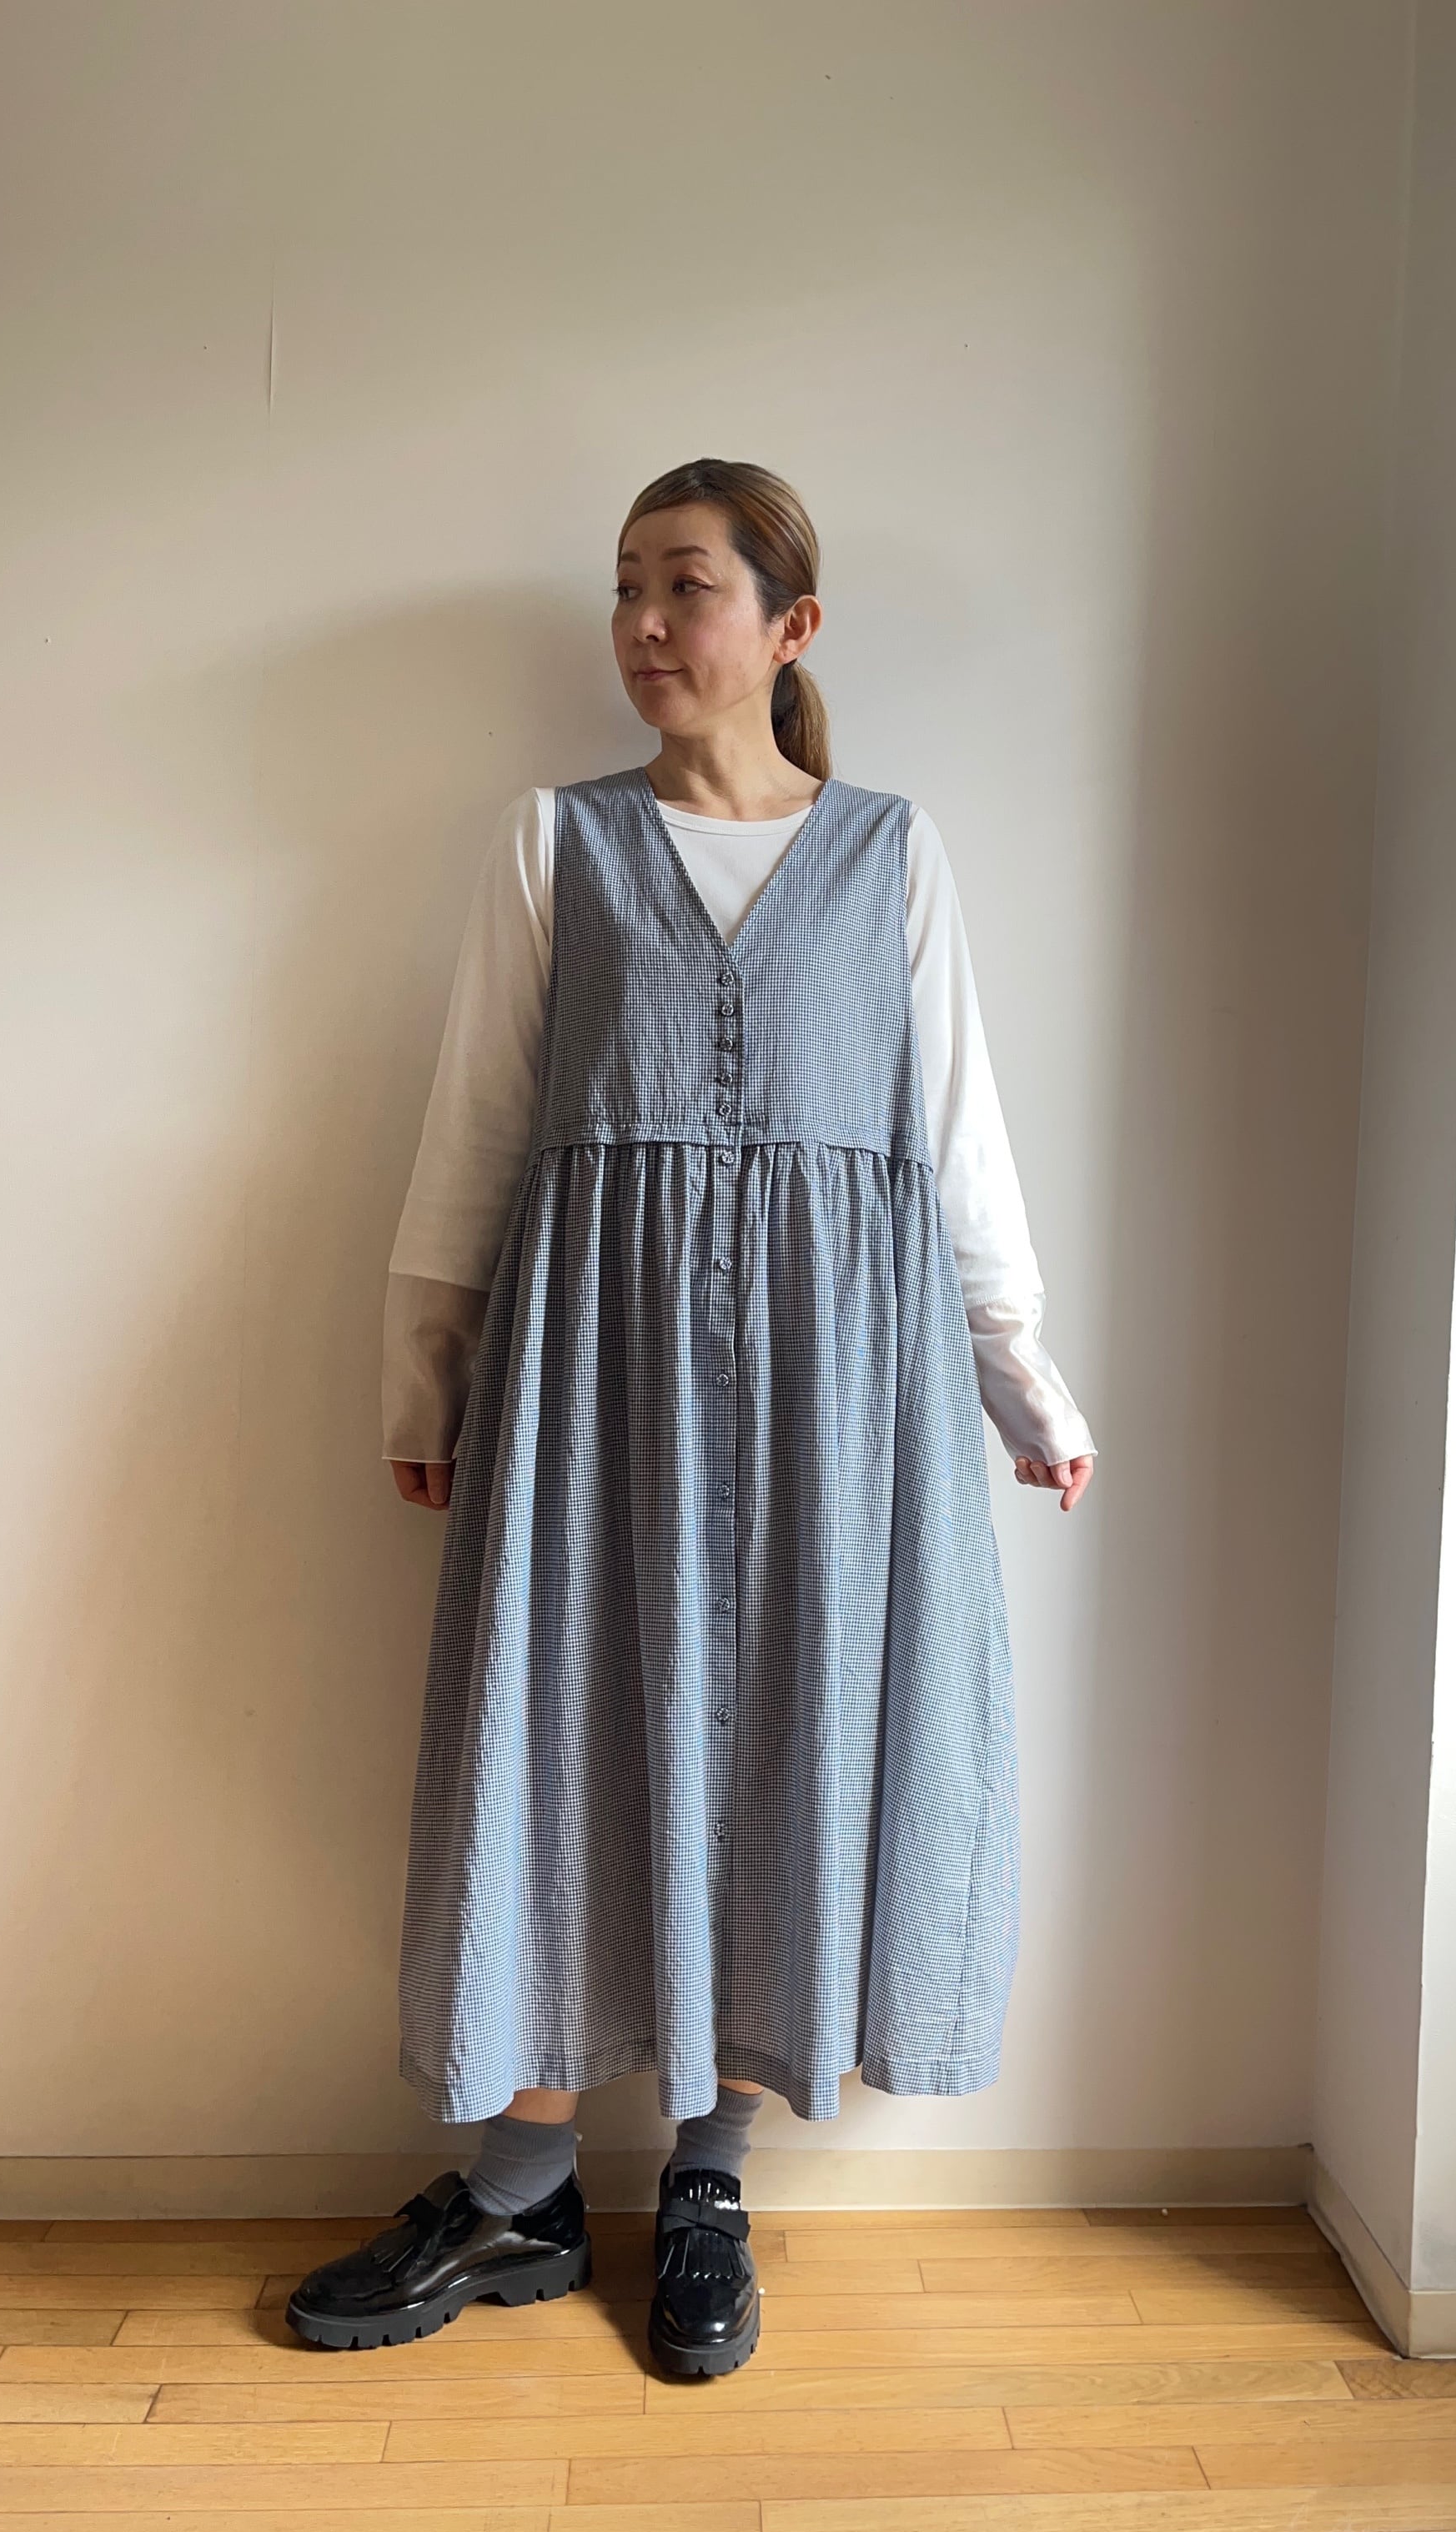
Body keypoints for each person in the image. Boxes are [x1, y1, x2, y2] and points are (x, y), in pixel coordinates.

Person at [286, 460, 1097, 2378]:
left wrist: (1024, 1382)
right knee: (559, 1728)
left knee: (787, 1741)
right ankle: (522, 2191)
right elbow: (477, 1127)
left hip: (840, 1384)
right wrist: (424, 1370)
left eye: (688, 586)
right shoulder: (554, 842)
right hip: (593, 1368)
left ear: (790, 626)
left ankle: (713, 2178)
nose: (645, 625)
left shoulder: (892, 853)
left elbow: (960, 1144)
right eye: (626, 588)